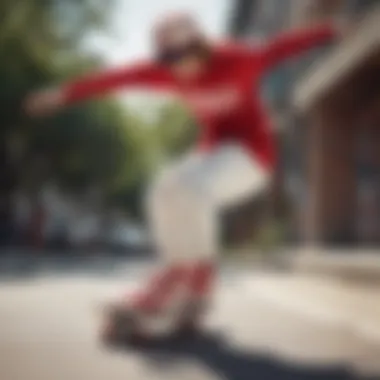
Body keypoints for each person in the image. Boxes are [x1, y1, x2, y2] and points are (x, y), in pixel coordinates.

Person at [25, 12, 341, 337]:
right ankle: (187, 282)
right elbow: (113, 80)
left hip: (252, 157)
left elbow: (281, 47)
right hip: (211, 155)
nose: (178, 66)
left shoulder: (238, 58)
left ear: (201, 46)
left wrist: (332, 28)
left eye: (184, 55)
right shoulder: (161, 72)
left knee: (191, 190)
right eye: (167, 58)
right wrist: (62, 94)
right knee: (162, 188)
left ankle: (189, 278)